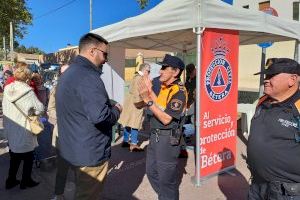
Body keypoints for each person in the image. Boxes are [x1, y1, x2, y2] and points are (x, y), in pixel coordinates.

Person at [56, 33, 122, 200]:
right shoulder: (88, 76)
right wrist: (117, 110)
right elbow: (100, 117)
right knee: (87, 196)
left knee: (82, 192)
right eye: (105, 54)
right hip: (90, 153)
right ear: (93, 51)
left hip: (74, 149)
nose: (106, 59)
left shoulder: (70, 73)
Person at [247, 58, 300, 200]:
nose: (265, 80)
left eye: (272, 76)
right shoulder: (263, 101)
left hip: (287, 191)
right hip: (257, 184)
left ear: (292, 79)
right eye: (266, 76)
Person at [138, 54, 187, 200]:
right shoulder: (167, 86)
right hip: (155, 135)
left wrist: (146, 99)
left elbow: (166, 118)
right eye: (161, 67)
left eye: (164, 68)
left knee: (166, 181)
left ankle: (167, 197)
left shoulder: (179, 91)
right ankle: (165, 197)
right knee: (151, 172)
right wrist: (149, 90)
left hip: (167, 138)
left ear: (176, 71)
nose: (160, 71)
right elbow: (160, 105)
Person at [2, 66, 44, 190]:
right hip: (23, 129)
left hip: (11, 128)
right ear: (27, 78)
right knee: (28, 157)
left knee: (15, 156)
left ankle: (10, 181)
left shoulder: (7, 89)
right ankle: (26, 181)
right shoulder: (27, 91)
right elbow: (40, 108)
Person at [47, 63, 69, 200]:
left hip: (78, 135)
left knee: (80, 170)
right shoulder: (56, 88)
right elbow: (50, 109)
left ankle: (82, 194)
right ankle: (58, 194)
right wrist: (61, 116)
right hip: (62, 133)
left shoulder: (81, 87)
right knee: (62, 167)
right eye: (63, 73)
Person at [119, 63, 150, 152]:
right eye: (148, 71)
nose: (149, 73)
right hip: (136, 105)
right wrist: (141, 104)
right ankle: (134, 144)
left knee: (128, 122)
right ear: (144, 70)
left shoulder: (135, 77)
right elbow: (137, 94)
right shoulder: (140, 79)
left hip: (129, 103)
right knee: (135, 124)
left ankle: (125, 141)